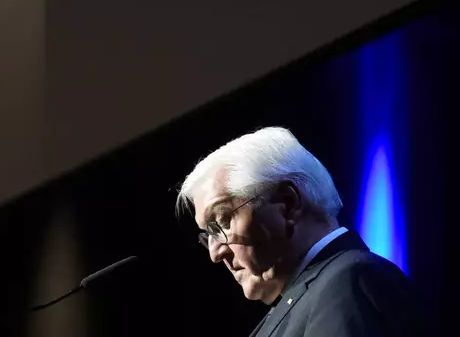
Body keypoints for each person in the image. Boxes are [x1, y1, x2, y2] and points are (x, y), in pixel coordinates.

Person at [176, 127, 423, 337]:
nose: (215, 253)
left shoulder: (348, 282)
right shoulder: (308, 295)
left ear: (288, 204)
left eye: (223, 220)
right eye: (208, 233)